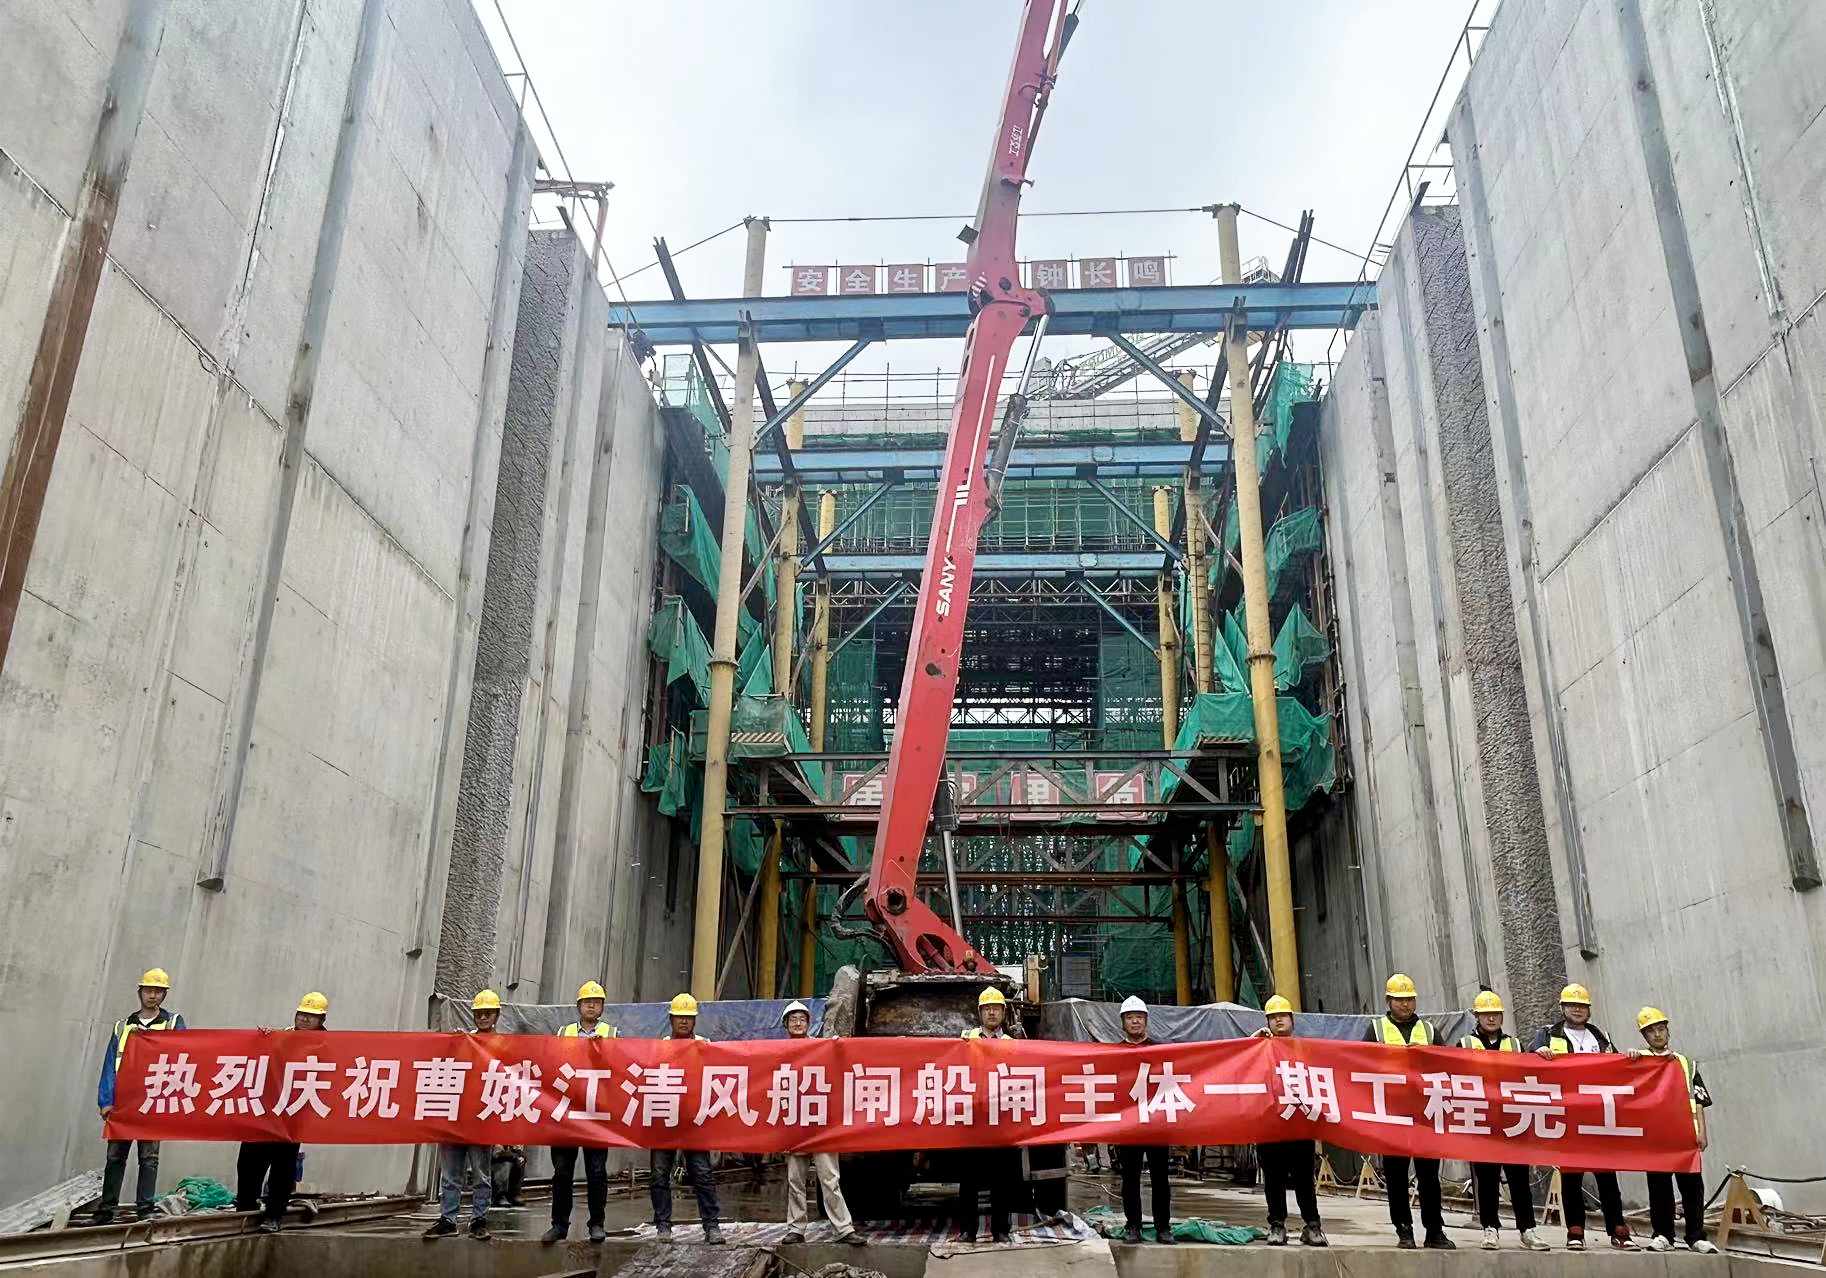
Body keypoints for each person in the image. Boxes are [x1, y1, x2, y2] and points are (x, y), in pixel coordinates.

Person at [1529, 983, 1638, 1250]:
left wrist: (1633, 1057)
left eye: (1582, 1006)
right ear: (1562, 1008)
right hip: (1568, 1116)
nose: (1577, 1010)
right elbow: (1526, 1062)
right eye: (1572, 1005)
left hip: (1598, 1116)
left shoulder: (1600, 1038)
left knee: (1607, 1176)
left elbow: (1618, 1069)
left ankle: (1618, 1230)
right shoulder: (1548, 1035)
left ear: (1588, 1010)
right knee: (1571, 1176)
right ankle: (1575, 1231)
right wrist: (1537, 1053)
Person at [1456, 991, 1550, 1252]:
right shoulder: (1464, 1045)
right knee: (1486, 1179)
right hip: (1482, 1122)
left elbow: (1529, 1074)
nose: (1491, 1019)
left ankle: (1527, 1230)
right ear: (1477, 1017)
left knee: (1519, 1179)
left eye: (1496, 1014)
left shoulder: (1515, 1045)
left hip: (1512, 1122)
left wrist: (1539, 1054)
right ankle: (1490, 1228)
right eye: (1486, 1014)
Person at [1365, 973, 1453, 1249]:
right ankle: (1404, 1229)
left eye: (1409, 999)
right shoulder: (1376, 1030)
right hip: (1392, 1113)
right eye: (1399, 1000)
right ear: (1388, 1001)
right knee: (1396, 1175)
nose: (1405, 1004)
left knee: (1429, 1177)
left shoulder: (1429, 1031)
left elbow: (1447, 1065)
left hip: (1425, 1112)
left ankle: (1434, 1231)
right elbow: (1362, 1066)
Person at [94, 967, 187, 1225]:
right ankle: (106, 1210)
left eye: (158, 991)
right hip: (123, 1101)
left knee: (149, 1158)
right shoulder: (123, 1026)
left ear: (164, 995)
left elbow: (186, 1054)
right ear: (140, 992)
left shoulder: (173, 1023)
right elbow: (110, 1064)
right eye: (148, 990)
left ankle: (145, 1208)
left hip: (152, 1099)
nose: (152, 995)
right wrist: (106, 1100)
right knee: (115, 1157)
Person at [236, 993, 327, 1234]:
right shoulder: (282, 1036)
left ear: (321, 1020)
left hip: (293, 1115)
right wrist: (262, 1039)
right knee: (249, 1161)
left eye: (311, 1016)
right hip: (266, 1110)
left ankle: (274, 1215)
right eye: (302, 1014)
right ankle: (244, 1210)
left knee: (283, 1166)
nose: (305, 1019)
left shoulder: (326, 1045)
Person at [1630, 1008, 1717, 1254]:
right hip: (1655, 1134)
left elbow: (1698, 1100)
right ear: (1644, 1036)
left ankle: (1696, 1236)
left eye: (1661, 1029)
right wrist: (1631, 1058)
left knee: (1692, 1187)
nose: (1657, 1035)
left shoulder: (1686, 1063)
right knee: (1659, 1187)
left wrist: (1702, 1131)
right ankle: (1663, 1234)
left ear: (1668, 1031)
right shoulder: (1639, 1060)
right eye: (1651, 1031)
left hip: (1685, 1133)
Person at [778, 1000, 865, 1246]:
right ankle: (796, 1228)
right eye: (793, 1019)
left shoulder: (821, 1048)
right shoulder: (777, 1052)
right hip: (794, 1124)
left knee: (830, 1179)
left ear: (809, 1023)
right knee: (795, 1180)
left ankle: (843, 1229)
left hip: (821, 1123)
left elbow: (841, 1062)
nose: (797, 1023)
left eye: (802, 1019)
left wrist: (838, 1047)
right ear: (786, 1024)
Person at [424, 990, 503, 1241]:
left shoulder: (505, 1045)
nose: (483, 1017)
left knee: (481, 1174)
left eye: (487, 1013)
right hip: (455, 1117)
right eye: (479, 1013)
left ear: (496, 1015)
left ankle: (479, 1219)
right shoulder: (465, 1041)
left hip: (481, 1118)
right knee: (450, 1174)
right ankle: (448, 1219)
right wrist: (455, 1044)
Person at [543, 981, 617, 1245]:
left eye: (596, 1002)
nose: (591, 1006)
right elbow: (552, 1064)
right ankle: (559, 1225)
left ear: (602, 1007)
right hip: (567, 1112)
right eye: (587, 1002)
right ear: (578, 1006)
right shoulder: (564, 1032)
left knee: (596, 1171)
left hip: (596, 1113)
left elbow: (619, 1068)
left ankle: (597, 1223)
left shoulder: (612, 1033)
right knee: (562, 1171)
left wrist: (602, 1050)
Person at [1251, 995, 1327, 1247]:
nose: (1278, 1020)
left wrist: (1318, 1133)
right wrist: (1253, 1041)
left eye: (1282, 1015)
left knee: (1305, 1180)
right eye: (1273, 1017)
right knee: (1273, 1180)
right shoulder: (1260, 1049)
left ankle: (1312, 1225)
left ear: (1292, 1020)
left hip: (1300, 1127)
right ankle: (1277, 1225)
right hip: (1270, 1128)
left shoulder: (1305, 1050)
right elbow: (1242, 1066)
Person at [650, 994, 724, 1245]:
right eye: (680, 1017)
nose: (684, 1021)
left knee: (702, 1174)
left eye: (689, 1017)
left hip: (695, 1121)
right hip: (665, 1119)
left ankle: (712, 1226)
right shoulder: (660, 1046)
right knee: (659, 1174)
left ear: (695, 1021)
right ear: (671, 1019)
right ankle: (663, 1226)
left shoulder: (705, 1045)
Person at [957, 986, 1018, 1244]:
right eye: (987, 1009)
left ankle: (1001, 1230)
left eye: (996, 1008)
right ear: (979, 1013)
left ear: (1004, 1012)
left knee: (1001, 1178)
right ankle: (967, 1230)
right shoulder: (965, 1039)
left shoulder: (1012, 1044)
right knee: (968, 1177)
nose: (992, 1013)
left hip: (1001, 1118)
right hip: (973, 1117)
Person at [1113, 996, 1173, 1245]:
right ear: (1123, 1022)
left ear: (1146, 1020)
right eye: (1130, 1017)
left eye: (1139, 1017)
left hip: (1156, 1124)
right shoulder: (1113, 1054)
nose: (1135, 1021)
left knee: (1161, 1179)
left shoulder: (1161, 1052)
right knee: (1130, 1179)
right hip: (1128, 1126)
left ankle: (1163, 1227)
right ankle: (1133, 1226)